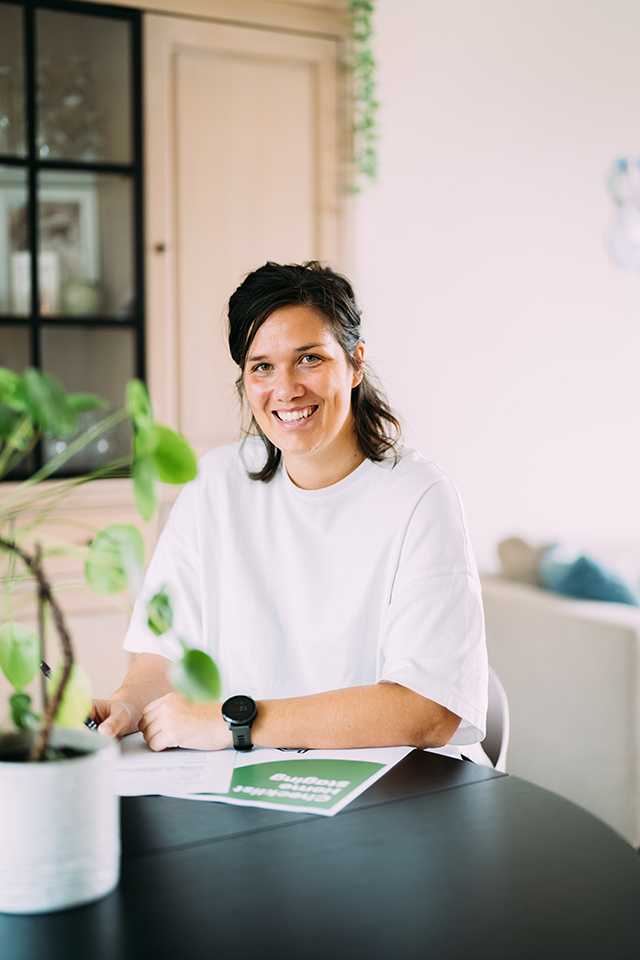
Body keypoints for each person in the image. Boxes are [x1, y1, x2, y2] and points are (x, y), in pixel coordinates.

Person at [93, 261, 489, 763]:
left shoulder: (418, 496)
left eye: (309, 359)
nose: (286, 389)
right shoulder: (215, 484)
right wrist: (127, 704)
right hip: (253, 777)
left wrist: (235, 721)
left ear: (356, 363)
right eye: (262, 367)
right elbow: (167, 649)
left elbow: (430, 710)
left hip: (397, 787)